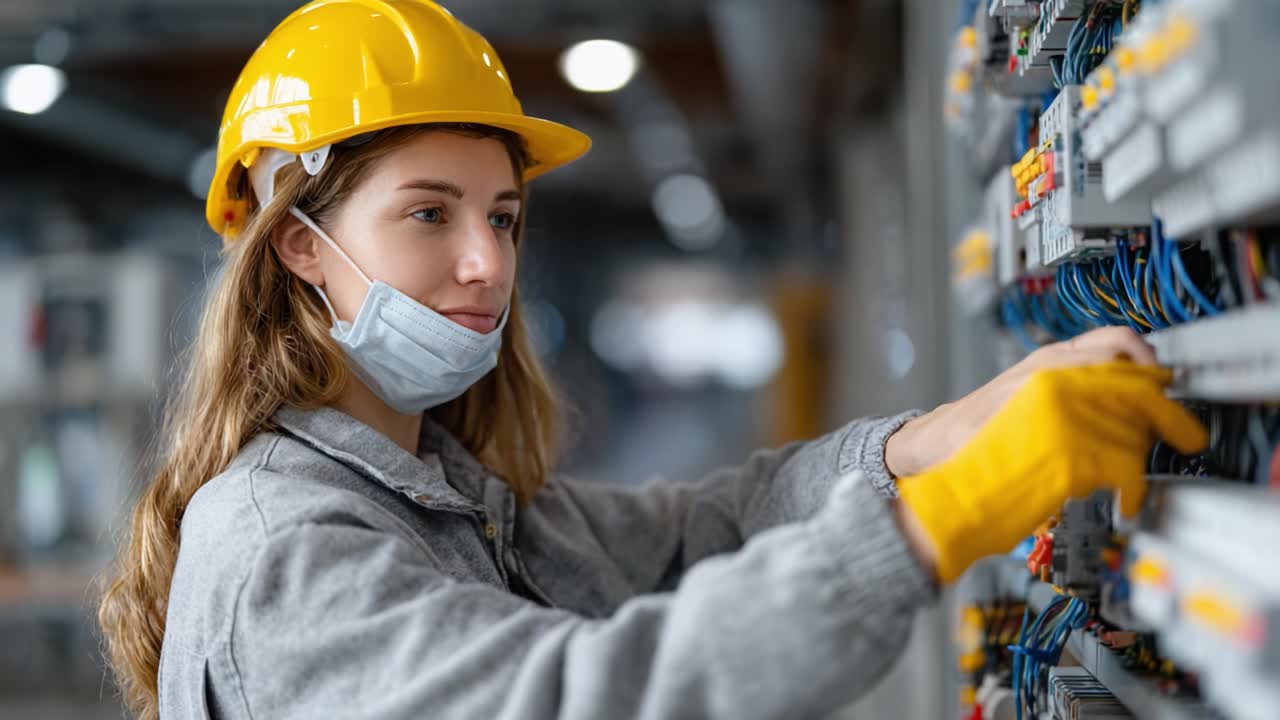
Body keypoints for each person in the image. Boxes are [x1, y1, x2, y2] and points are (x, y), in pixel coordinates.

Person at [97, 2, 1207, 719]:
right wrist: (944, 520)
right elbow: (580, 699)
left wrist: (927, 443)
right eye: (428, 215)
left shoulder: (443, 497)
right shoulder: (285, 551)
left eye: (504, 215)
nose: (487, 262)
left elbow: (700, 533)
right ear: (299, 243)